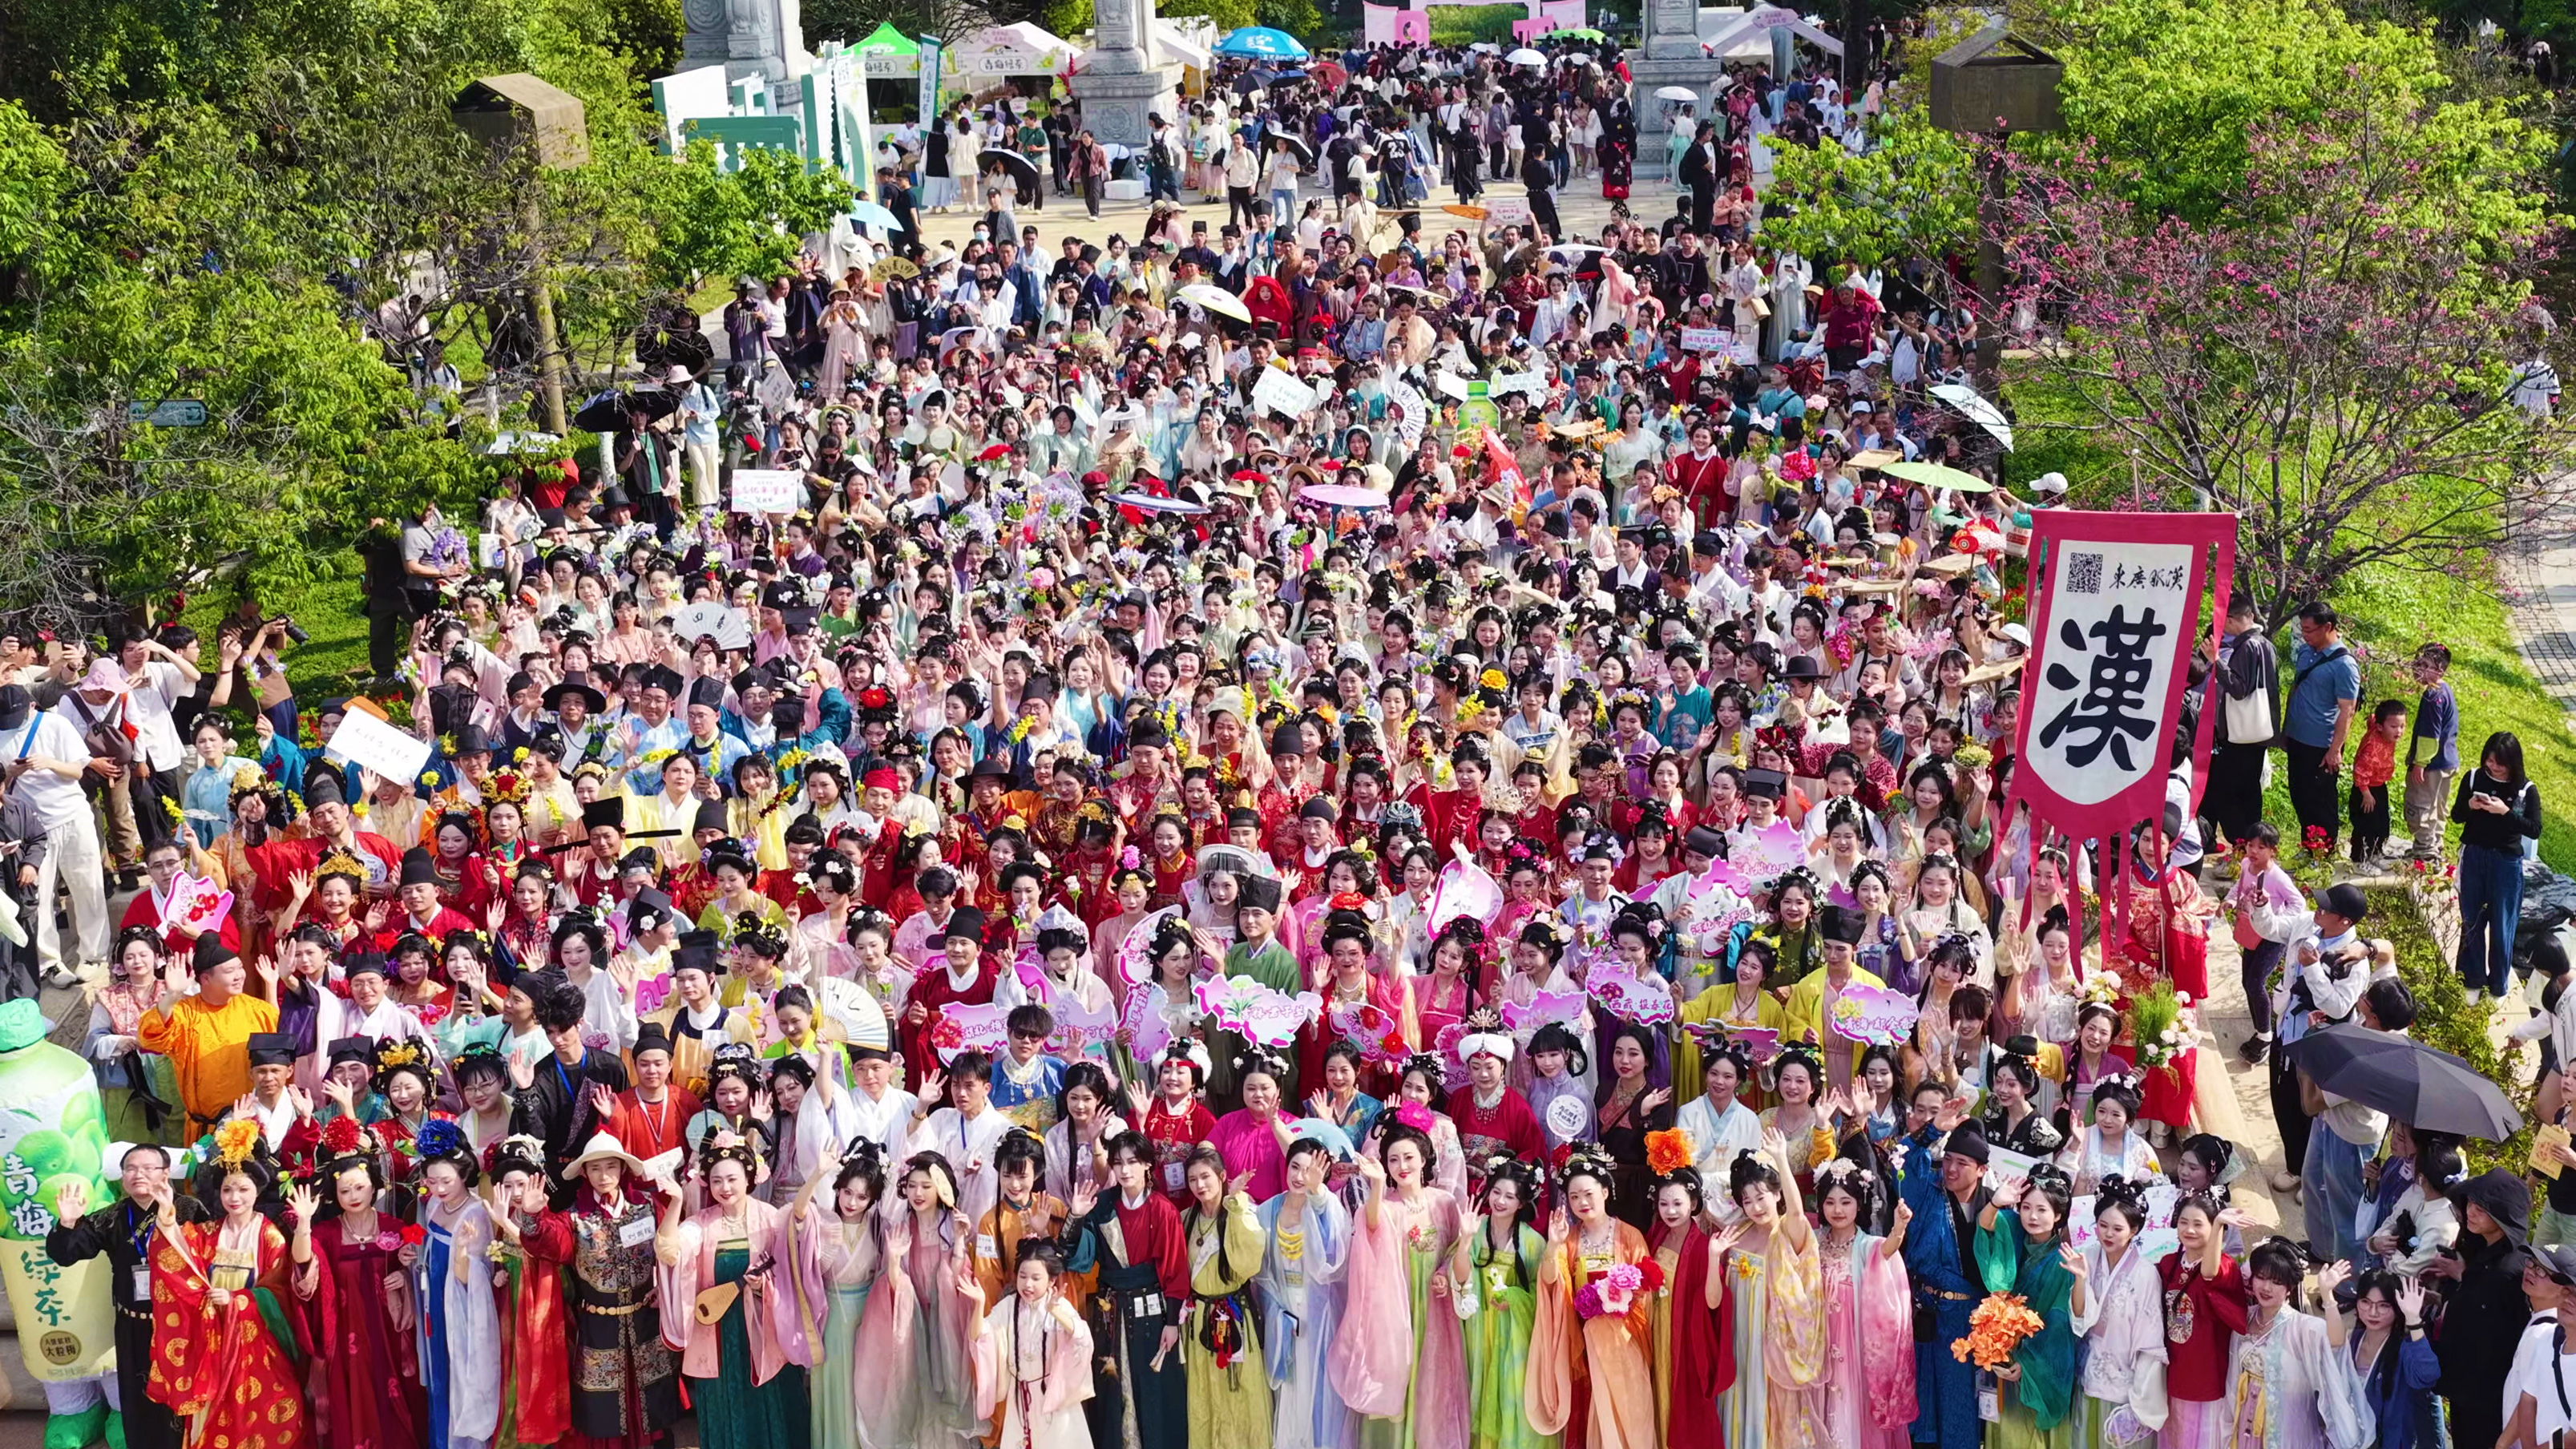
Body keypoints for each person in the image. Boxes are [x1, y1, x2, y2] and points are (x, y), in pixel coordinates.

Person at [146, 1124, 310, 1449]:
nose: (234, 1198)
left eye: (243, 1190)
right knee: (213, 1413)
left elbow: (279, 1293)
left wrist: (237, 1301)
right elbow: (180, 1259)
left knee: (265, 1414)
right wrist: (166, 1214)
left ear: (257, 1192)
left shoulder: (270, 1236)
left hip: (255, 1342)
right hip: (212, 1338)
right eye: (227, 1190)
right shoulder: (208, 1232)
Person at [48, 1142, 208, 1449]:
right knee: (137, 1399)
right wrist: (68, 1224)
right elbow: (66, 1254)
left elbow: (209, 1260)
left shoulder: (190, 1210)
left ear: (165, 1174)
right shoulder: (113, 1216)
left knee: (181, 1397)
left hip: (180, 1325)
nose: (138, 1175)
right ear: (122, 1178)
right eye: (130, 1169)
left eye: (148, 1168)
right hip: (132, 1324)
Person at [2453, 730, 2543, 1002]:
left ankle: (2498, 985)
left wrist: (2506, 812)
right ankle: (2471, 979)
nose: (2493, 767)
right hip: (2474, 855)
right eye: (2489, 761)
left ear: (2513, 763)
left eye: (2500, 764)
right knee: (2472, 919)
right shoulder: (2473, 777)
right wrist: (2471, 805)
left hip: (2506, 862)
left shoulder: (2526, 790)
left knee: (2503, 924)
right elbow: (2457, 816)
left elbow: (2534, 829)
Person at [2279, 603, 2360, 854]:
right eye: (2302, 630)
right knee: (2300, 795)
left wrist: (2335, 750)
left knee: (2320, 800)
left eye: (2309, 630)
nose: (2305, 635)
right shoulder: (2307, 652)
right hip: (2298, 738)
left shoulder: (2344, 665)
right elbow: (2296, 689)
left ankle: (2323, 852)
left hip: (2322, 744)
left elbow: (2348, 710)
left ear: (2327, 627)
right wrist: (2286, 730)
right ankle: (2308, 846)